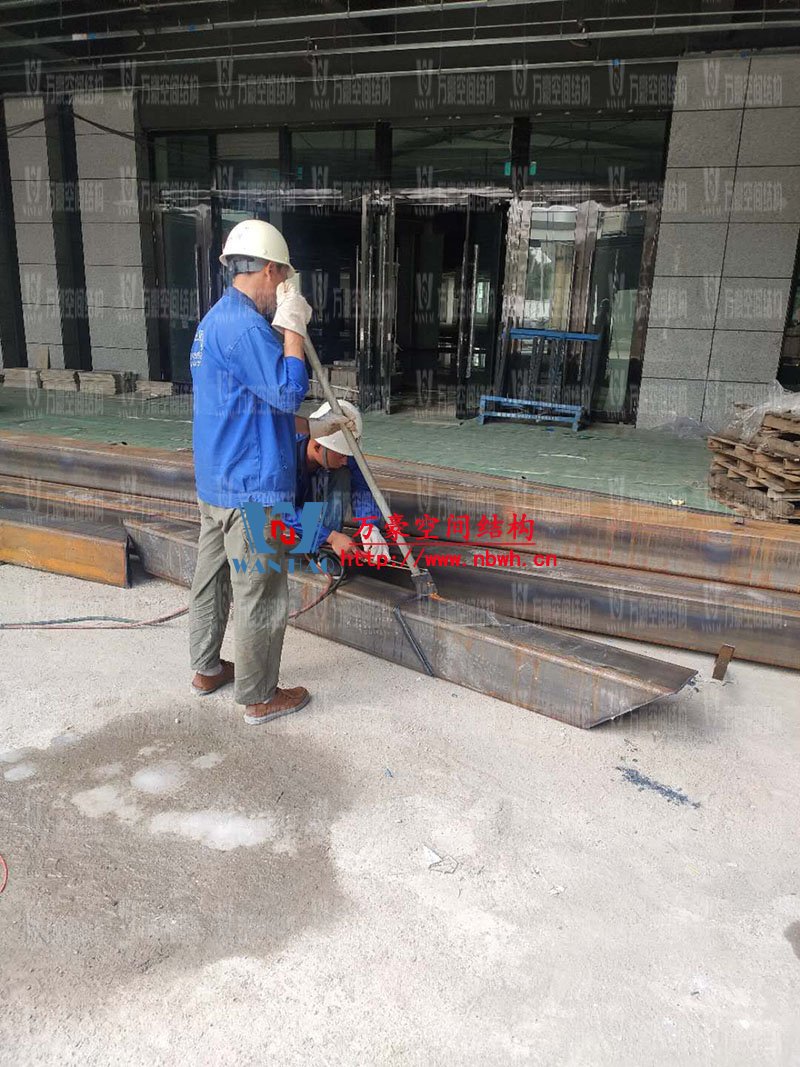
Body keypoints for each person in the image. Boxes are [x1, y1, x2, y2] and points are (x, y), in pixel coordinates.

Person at [187, 219, 351, 726]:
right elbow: (286, 390)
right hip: (254, 490)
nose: (282, 289)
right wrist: (293, 328)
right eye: (283, 279)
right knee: (262, 591)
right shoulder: (248, 328)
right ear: (271, 271)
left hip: (217, 483)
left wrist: (316, 426)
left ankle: (206, 670)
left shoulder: (214, 322)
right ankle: (259, 697)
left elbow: (251, 405)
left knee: (212, 581)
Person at [291, 400, 391, 561]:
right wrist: (330, 537)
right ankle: (324, 542)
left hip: (307, 503)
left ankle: (326, 553)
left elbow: (362, 488)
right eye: (341, 456)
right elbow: (281, 510)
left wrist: (369, 525)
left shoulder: (339, 454)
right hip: (269, 510)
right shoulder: (283, 454)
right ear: (317, 447)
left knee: (343, 473)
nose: (345, 460)